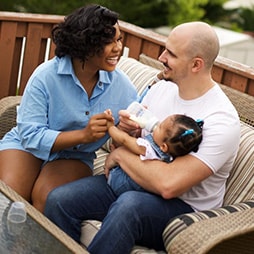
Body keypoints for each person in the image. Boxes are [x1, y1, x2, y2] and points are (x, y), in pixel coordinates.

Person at [44, 21, 241, 253]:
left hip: (182, 208)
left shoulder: (220, 119)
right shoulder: (161, 89)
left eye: (171, 54)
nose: (161, 56)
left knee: (129, 207)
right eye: (165, 48)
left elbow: (169, 185)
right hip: (133, 182)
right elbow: (133, 142)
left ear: (196, 64)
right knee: (60, 200)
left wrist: (120, 155)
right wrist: (126, 133)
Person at [0, 4, 138, 213]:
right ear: (86, 43)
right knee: (9, 197)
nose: (117, 48)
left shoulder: (123, 87)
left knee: (46, 199)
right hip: (26, 145)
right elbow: (30, 135)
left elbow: (135, 129)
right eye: (108, 41)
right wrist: (84, 134)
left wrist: (130, 130)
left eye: (118, 39)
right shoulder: (45, 76)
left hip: (75, 156)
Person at [105, 109, 204, 196]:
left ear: (164, 147)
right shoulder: (170, 157)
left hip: (120, 183)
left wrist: (110, 127)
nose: (157, 126)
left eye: (160, 127)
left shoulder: (146, 147)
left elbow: (124, 140)